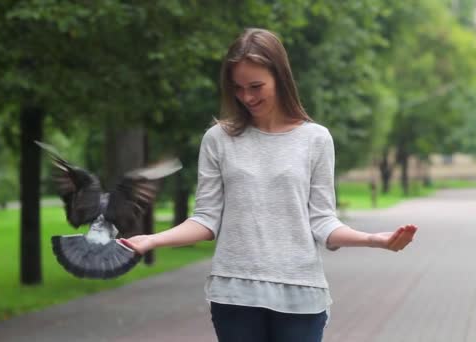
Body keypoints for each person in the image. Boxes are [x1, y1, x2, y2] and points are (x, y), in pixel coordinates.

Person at [120, 28, 417, 342]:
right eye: (238, 88)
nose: (247, 97)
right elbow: (206, 219)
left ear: (280, 78)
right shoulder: (218, 140)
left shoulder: (315, 139)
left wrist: (375, 240)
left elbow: (322, 221)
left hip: (301, 294)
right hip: (234, 294)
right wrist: (150, 241)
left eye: (256, 86)